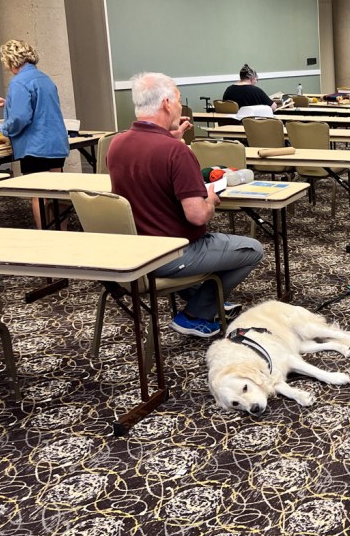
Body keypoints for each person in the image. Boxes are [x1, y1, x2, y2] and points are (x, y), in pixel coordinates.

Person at [107, 72, 264, 338]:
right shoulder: (176, 152)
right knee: (252, 249)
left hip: (136, 251)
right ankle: (196, 314)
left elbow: (150, 177)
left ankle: (209, 298)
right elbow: (197, 217)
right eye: (178, 99)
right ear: (167, 103)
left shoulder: (117, 144)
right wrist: (211, 198)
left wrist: (174, 137)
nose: (180, 106)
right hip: (172, 254)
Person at [0, 39, 70, 229]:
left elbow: (20, 119)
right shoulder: (44, 78)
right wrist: (8, 102)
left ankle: (44, 236)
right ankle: (64, 233)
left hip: (35, 146)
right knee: (58, 192)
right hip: (55, 144)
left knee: (38, 194)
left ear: (10, 61)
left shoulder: (18, 83)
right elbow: (39, 106)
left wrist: (1, 127)